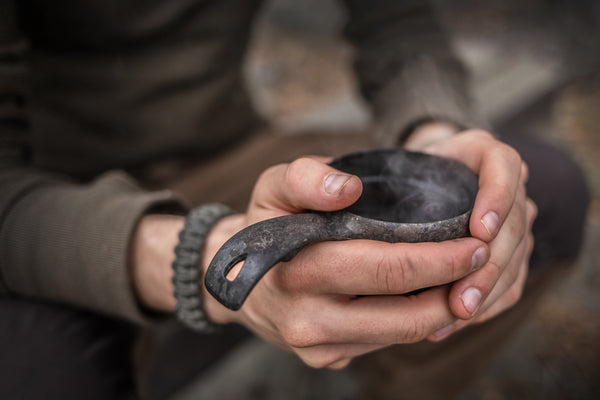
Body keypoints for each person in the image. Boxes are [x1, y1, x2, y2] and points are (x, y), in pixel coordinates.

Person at [0, 0, 589, 398]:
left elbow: (396, 23)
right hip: (55, 200)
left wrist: (434, 137)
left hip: (230, 151)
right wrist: (188, 256)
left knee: (547, 190)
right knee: (41, 365)